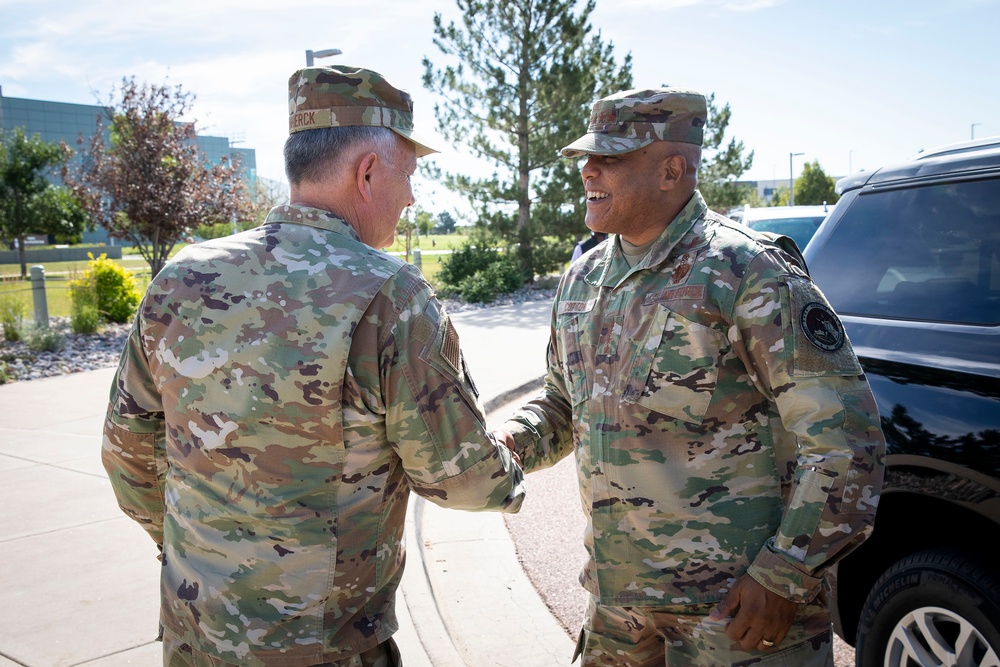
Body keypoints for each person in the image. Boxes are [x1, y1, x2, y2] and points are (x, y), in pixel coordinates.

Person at [102, 65, 525, 667]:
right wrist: (519, 458)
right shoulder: (391, 297)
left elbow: (128, 457)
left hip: (195, 636)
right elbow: (462, 478)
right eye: (409, 176)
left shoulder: (181, 277)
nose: (411, 197)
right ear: (369, 172)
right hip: (321, 649)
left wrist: (206, 561)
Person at [495, 87, 885, 666]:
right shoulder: (583, 281)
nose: (588, 171)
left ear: (672, 170)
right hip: (620, 617)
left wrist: (783, 574)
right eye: (587, 156)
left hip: (735, 619)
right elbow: (562, 404)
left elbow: (844, 443)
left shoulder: (747, 273)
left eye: (611, 157)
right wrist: (508, 444)